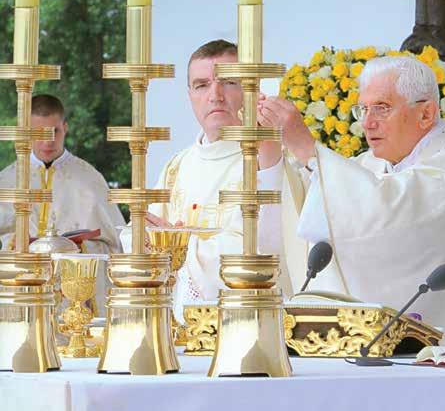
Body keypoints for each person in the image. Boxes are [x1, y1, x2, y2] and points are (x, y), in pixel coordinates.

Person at [258, 56, 445, 345]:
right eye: (363, 109)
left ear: (426, 114)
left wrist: (306, 147)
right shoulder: (370, 165)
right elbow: (311, 204)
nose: (367, 122)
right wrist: (269, 144)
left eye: (381, 107)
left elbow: (388, 214)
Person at [120, 39, 306, 322]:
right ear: (190, 95)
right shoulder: (177, 166)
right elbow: (137, 232)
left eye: (229, 82)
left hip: (249, 322)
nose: (215, 95)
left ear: (251, 90)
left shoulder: (270, 159)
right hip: (177, 331)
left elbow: (264, 251)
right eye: (202, 85)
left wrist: (175, 247)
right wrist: (149, 242)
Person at [0, 94, 126, 313]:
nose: (48, 141)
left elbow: (115, 247)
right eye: (39, 133)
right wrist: (13, 242)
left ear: (65, 127)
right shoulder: (7, 181)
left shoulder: (89, 179)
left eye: (54, 131)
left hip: (73, 296)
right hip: (19, 291)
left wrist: (80, 248)